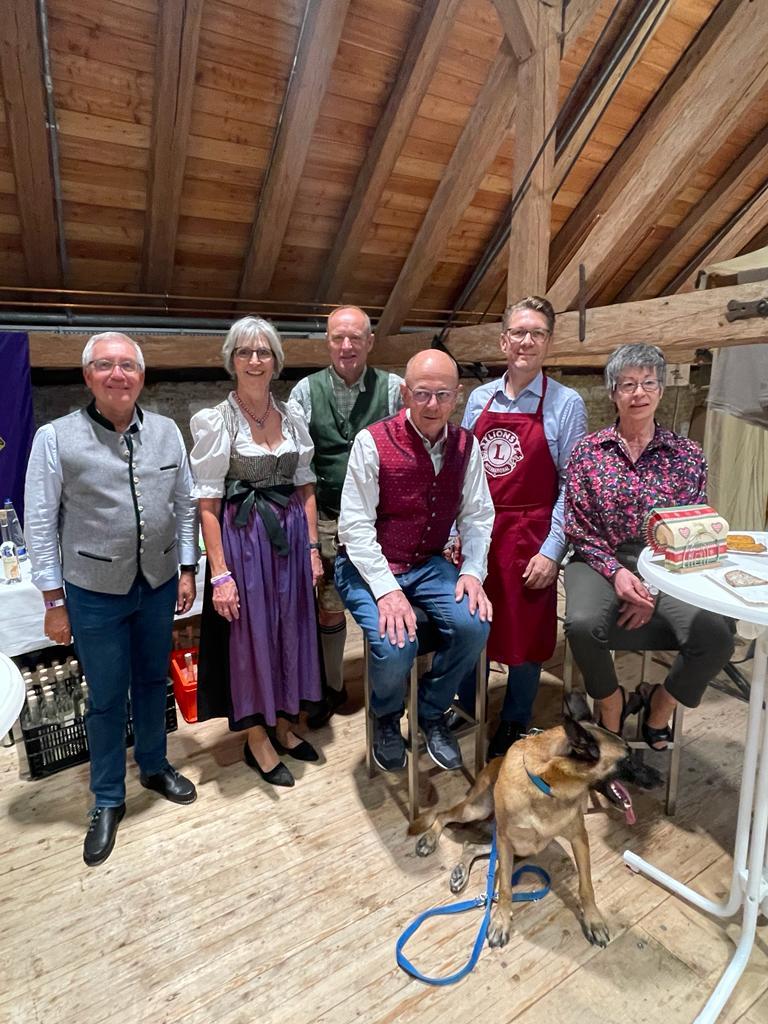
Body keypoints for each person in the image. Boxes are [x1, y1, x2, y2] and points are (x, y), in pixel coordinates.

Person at [24, 332, 199, 867]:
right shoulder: (55, 438)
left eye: (128, 365)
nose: (118, 374)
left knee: (151, 682)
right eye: (105, 365)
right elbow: (40, 522)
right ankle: (106, 797)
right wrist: (53, 600)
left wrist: (187, 568)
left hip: (158, 584)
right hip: (93, 591)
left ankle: (154, 764)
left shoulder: (167, 432)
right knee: (105, 696)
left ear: (142, 376)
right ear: (88, 376)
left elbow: (184, 502)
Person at [563, 343, 734, 746]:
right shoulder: (588, 453)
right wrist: (618, 575)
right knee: (581, 624)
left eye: (648, 383)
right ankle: (612, 703)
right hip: (600, 559)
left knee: (717, 635)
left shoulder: (687, 455)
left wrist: (652, 588)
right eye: (628, 384)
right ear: (613, 392)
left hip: (667, 566)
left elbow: (691, 528)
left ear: (660, 390)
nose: (638, 393)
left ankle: (660, 705)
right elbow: (579, 528)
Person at [335, 350, 494, 772]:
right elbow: (354, 527)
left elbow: (478, 516)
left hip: (426, 562)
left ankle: (430, 709)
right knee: (395, 645)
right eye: (422, 393)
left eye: (443, 394)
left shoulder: (467, 445)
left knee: (475, 624)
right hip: (366, 565)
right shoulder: (372, 441)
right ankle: (386, 716)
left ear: (457, 396)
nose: (432, 404)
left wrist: (473, 572)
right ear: (405, 393)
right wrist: (387, 590)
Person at [190, 316, 323, 789]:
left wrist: (312, 548)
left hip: (289, 535)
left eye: (263, 351)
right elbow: (208, 505)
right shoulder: (215, 420)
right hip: (244, 539)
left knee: (290, 628)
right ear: (231, 360)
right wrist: (219, 574)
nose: (254, 360)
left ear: (276, 360)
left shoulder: (292, 416)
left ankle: (284, 723)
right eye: (244, 352)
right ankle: (256, 737)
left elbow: (306, 487)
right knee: (250, 636)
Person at [453, 296, 587, 758]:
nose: (526, 341)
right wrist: (455, 533)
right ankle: (465, 703)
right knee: (472, 623)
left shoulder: (566, 403)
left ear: (548, 342)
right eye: (518, 332)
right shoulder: (479, 399)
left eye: (537, 333)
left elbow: (572, 485)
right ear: (503, 341)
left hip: (531, 534)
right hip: (480, 532)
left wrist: (552, 551)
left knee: (526, 632)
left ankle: (515, 716)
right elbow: (463, 472)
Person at [289, 306, 403, 726]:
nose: (347, 345)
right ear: (328, 342)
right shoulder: (305, 392)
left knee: (388, 603)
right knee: (330, 606)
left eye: (355, 337)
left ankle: (389, 692)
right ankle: (332, 687)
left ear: (370, 342)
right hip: (327, 514)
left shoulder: (394, 389)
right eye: (338, 337)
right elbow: (298, 467)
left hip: (382, 519)